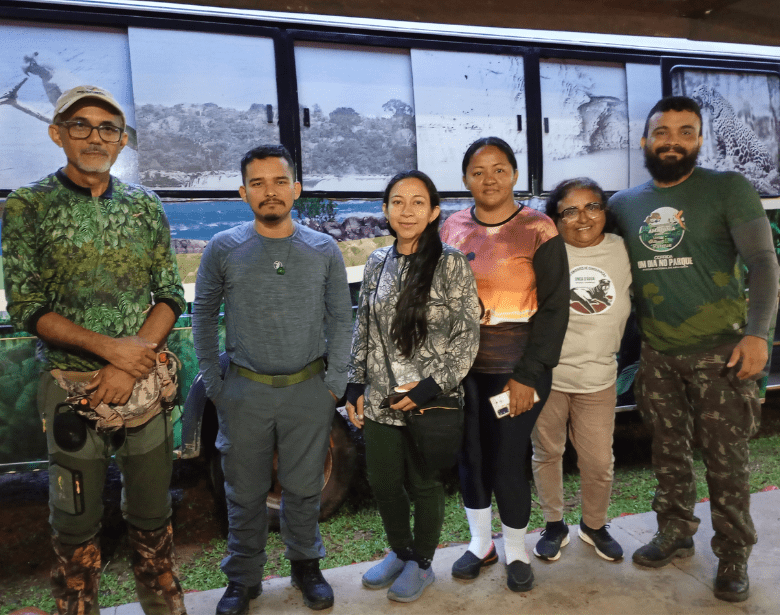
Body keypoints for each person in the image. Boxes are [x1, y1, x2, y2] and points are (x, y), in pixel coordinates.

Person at [1, 85, 187, 615]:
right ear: (57, 133)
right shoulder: (28, 206)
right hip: (71, 390)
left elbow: (170, 294)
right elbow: (28, 307)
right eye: (80, 124)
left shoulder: (145, 205)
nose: (95, 137)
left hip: (144, 389)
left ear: (122, 141)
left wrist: (131, 363)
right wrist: (112, 353)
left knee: (152, 513)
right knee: (75, 521)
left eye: (108, 128)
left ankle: (164, 607)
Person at [609, 95, 780, 603]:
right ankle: (675, 530)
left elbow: (763, 262)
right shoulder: (623, 205)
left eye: (686, 132)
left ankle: (733, 553)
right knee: (667, 452)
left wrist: (758, 334)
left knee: (726, 462)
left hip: (722, 353)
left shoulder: (727, 188)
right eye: (663, 132)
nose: (674, 141)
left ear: (700, 139)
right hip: (658, 354)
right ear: (645, 140)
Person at [192, 144, 352, 614]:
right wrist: (215, 384)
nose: (270, 191)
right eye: (258, 183)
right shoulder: (224, 247)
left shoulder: (322, 249)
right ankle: (243, 579)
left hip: (309, 390)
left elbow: (341, 318)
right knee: (243, 492)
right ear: (243, 193)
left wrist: (335, 383)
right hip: (244, 390)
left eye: (280, 181)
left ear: (296, 189)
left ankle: (306, 567)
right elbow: (203, 315)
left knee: (304, 488)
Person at [440, 137, 569, 592]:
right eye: (478, 172)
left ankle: (515, 549)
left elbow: (555, 309)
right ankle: (481, 545)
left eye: (499, 169)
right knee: (470, 457)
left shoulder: (539, 228)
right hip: (462, 371)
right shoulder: (451, 227)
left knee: (507, 458)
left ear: (514, 174)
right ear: (465, 179)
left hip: (518, 369)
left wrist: (528, 376)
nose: (489, 179)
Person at [344, 170, 480, 602]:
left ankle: (421, 563)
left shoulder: (451, 263)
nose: (407, 211)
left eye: (418, 202)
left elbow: (467, 337)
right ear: (385, 210)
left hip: (429, 400)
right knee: (383, 482)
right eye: (397, 202)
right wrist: (355, 382)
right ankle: (400, 552)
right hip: (382, 398)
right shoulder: (376, 262)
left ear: (434, 211)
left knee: (424, 484)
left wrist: (427, 388)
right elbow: (364, 326)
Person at [530, 178, 632, 563]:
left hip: (598, 380)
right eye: (570, 211)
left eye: (592, 206)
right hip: (549, 379)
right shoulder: (544, 252)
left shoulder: (623, 249)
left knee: (598, 462)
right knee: (547, 453)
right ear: (556, 219)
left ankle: (594, 525)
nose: (583, 217)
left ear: (605, 211)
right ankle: (554, 525)